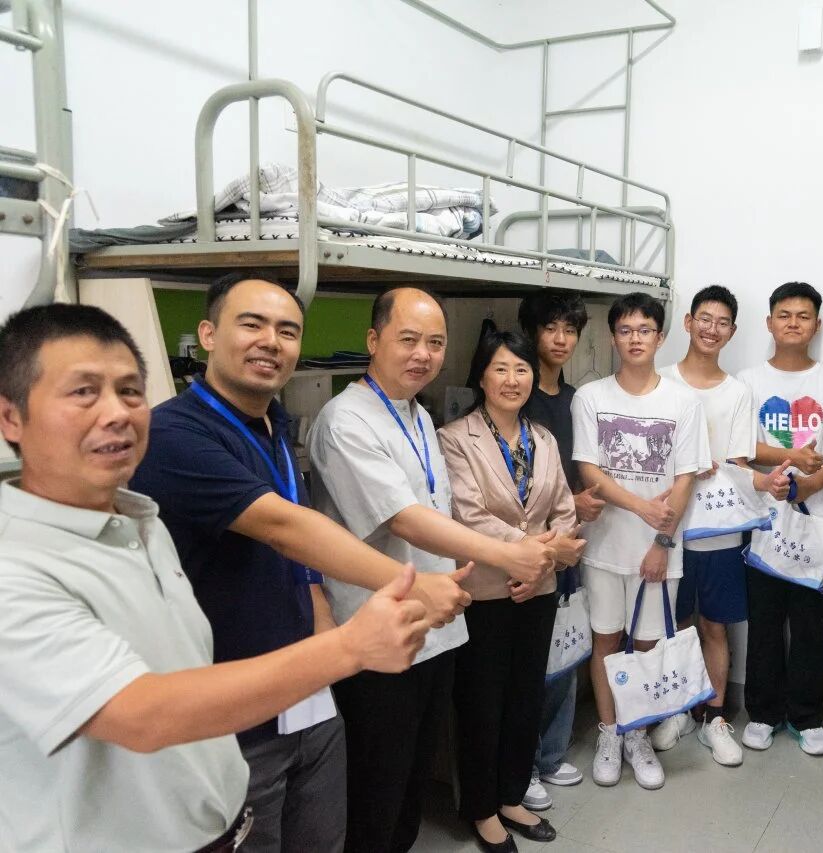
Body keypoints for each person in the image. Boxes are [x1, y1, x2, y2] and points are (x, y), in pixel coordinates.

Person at [0, 304, 430, 853]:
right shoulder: (15, 565)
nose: (116, 413)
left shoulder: (141, 522)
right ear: (11, 417)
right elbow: (142, 713)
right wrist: (350, 647)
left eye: (130, 392)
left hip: (218, 820)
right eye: (83, 392)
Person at [130, 274, 472, 853]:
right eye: (252, 324)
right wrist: (416, 585)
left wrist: (320, 620)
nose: (272, 341)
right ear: (207, 335)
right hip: (236, 707)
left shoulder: (274, 423)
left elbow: (297, 538)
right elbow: (285, 528)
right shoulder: (173, 433)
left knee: (334, 830)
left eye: (287, 331)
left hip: (308, 687)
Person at [306, 288, 556, 853]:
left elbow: (437, 511)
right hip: (379, 626)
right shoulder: (346, 420)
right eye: (409, 339)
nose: (423, 354)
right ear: (374, 340)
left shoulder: (418, 414)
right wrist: (507, 554)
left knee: (413, 776)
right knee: (377, 780)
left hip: (437, 626)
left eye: (436, 343)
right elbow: (406, 519)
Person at [439, 328, 585, 852]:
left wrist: (541, 565)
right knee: (483, 703)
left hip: (537, 593)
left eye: (521, 369)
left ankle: (511, 795)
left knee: (526, 698)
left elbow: (563, 510)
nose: (512, 379)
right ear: (481, 376)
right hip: (484, 593)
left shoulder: (542, 439)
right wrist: (536, 552)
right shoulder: (455, 438)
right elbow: (468, 515)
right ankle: (481, 808)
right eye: (500, 368)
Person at [572, 291, 710, 790]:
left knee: (648, 645)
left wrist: (661, 542)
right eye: (626, 330)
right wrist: (641, 507)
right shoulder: (590, 397)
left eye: (645, 330)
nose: (635, 339)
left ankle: (638, 734)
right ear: (613, 338)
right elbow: (589, 469)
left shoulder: (683, 402)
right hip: (603, 546)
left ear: (660, 337)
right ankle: (610, 732)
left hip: (659, 550)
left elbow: (686, 478)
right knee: (606, 641)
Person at [737, 281, 823, 757]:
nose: (793, 323)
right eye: (784, 314)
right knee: (765, 623)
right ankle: (763, 712)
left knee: (812, 625)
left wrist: (814, 483)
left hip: (821, 520)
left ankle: (806, 716)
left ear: (817, 325)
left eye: (803, 315)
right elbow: (738, 446)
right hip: (763, 520)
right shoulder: (748, 381)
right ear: (769, 322)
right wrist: (789, 458)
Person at [648, 285, 756, 766]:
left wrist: (710, 465)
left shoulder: (738, 392)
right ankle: (678, 709)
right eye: (705, 319)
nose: (712, 329)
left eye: (723, 322)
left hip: (719, 529)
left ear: (732, 331)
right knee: (673, 624)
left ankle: (714, 717)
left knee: (714, 624)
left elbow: (739, 458)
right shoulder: (661, 383)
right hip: (665, 527)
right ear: (689, 322)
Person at [517, 290, 601, 810]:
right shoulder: (517, 395)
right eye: (551, 328)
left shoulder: (576, 400)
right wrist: (572, 499)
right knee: (530, 656)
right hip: (531, 542)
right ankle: (522, 765)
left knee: (567, 644)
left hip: (571, 539)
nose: (561, 339)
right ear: (532, 332)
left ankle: (550, 754)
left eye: (570, 330)